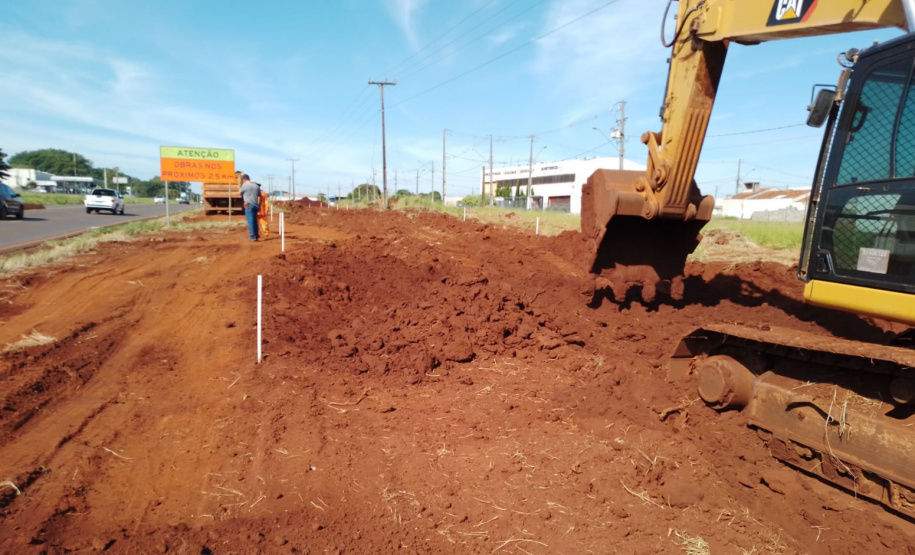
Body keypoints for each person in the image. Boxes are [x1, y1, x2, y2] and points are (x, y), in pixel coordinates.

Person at [238, 174, 260, 241]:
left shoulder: (244, 185)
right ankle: (256, 236)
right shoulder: (256, 186)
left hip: (248, 205)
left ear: (244, 180)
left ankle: (252, 237)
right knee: (255, 221)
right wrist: (259, 205)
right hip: (256, 205)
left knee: (250, 221)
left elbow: (239, 192)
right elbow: (260, 196)